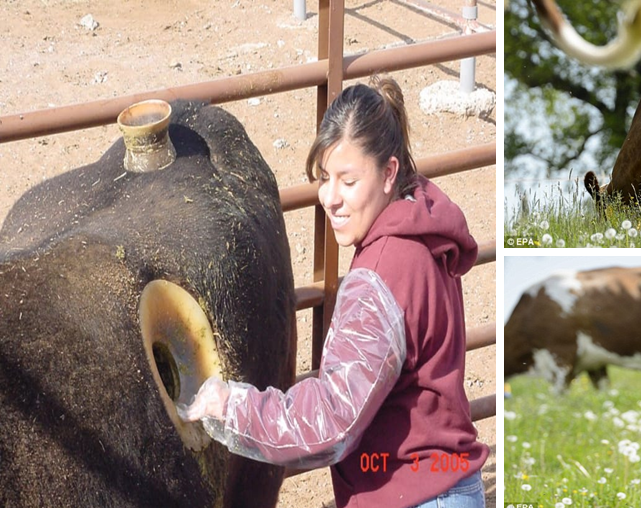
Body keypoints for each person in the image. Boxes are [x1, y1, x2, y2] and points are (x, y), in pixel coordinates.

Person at [179, 75, 488, 508]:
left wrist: (230, 407)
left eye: (348, 180)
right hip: (451, 485)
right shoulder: (423, 228)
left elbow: (331, 421)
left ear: (389, 173)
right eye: (325, 177)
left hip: (412, 496)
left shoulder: (380, 276)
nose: (330, 197)